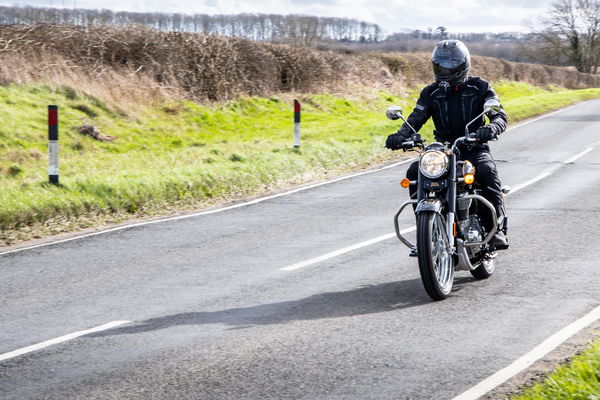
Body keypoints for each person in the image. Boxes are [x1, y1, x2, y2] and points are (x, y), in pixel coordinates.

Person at [385, 39, 509, 249]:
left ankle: (497, 230)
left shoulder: (480, 87)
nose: (445, 69)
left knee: (486, 170)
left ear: (462, 65)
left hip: (473, 147)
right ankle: (425, 232)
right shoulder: (431, 93)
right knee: (415, 172)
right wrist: (400, 135)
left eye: (450, 64)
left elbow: (499, 115)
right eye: (440, 64)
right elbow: (416, 118)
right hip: (443, 151)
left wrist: (491, 128)